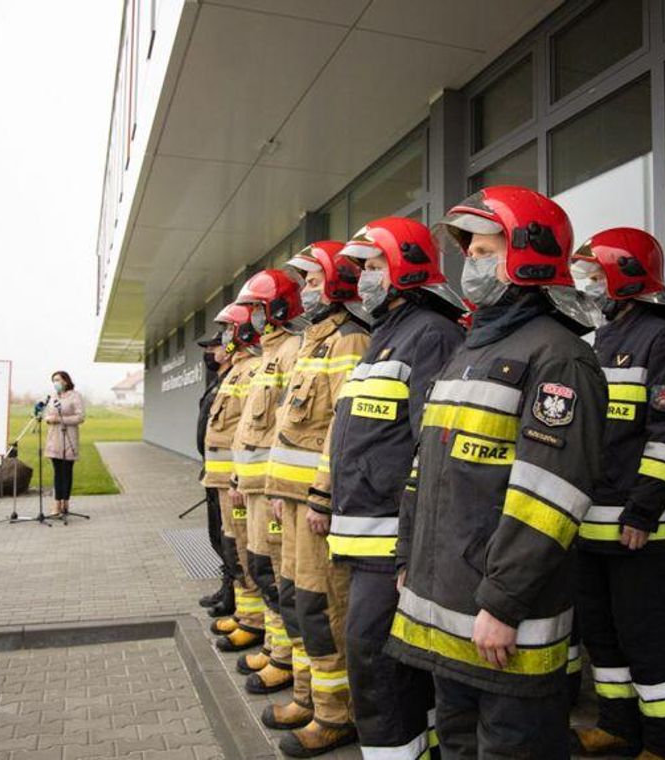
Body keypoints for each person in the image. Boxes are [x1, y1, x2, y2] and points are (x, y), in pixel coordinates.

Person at [386, 186, 607, 759]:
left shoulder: (559, 356)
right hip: (444, 609)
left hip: (501, 621)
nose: (473, 266)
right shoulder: (467, 351)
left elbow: (551, 496)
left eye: (487, 252)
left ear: (528, 257)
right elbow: (425, 469)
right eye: (472, 253)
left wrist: (504, 604)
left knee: (514, 749)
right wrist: (407, 555)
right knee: (456, 744)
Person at [307, 217, 464, 759]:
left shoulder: (433, 334)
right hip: (364, 537)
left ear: (404, 268)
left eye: (374, 266)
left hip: (391, 538)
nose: (365, 278)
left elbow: (431, 443)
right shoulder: (386, 334)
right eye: (363, 268)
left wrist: (411, 542)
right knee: (384, 657)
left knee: (372, 655)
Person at [565, 228, 665, 760]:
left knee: (649, 641)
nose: (587, 286)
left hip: (638, 530)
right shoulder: (596, 341)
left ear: (625, 277)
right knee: (604, 637)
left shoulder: (662, 339)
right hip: (590, 527)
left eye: (595, 275)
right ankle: (618, 726)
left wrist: (643, 510)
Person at [257, 242, 370, 757]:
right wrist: (280, 493)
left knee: (323, 607)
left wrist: (322, 495)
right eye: (300, 281)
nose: (304, 290)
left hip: (318, 507)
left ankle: (335, 714)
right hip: (291, 501)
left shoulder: (349, 342)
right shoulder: (312, 342)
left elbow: (341, 432)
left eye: (311, 279)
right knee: (298, 602)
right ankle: (306, 694)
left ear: (338, 281)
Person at [216, 269, 304, 660]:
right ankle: (273, 646)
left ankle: (284, 657)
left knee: (276, 571)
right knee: (257, 563)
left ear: (276, 308)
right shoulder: (267, 357)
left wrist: (275, 486)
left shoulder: (290, 351)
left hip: (271, 490)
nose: (250, 317)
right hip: (249, 487)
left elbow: (287, 429)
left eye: (255, 308)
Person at [200, 303, 267, 661]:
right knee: (234, 549)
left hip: (239, 484)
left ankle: (254, 620)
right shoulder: (239, 370)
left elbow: (253, 429)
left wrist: (241, 479)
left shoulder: (253, 368)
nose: (223, 338)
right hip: (226, 480)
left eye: (227, 330)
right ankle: (245, 613)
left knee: (246, 551)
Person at [196, 327, 235, 617]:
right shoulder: (217, 380)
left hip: (227, 474)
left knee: (229, 536)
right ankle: (226, 587)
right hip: (213, 469)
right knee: (217, 533)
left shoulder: (232, 380)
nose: (209, 353)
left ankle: (232, 593)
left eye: (214, 347)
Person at [43, 371, 85, 516]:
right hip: (54, 438)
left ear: (65, 381)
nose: (55, 383)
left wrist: (61, 420)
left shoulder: (75, 396)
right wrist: (48, 418)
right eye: (53, 380)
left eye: (58, 380)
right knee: (57, 473)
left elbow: (80, 417)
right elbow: (47, 414)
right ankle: (56, 503)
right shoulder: (53, 397)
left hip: (68, 438)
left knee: (66, 472)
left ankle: (65, 502)